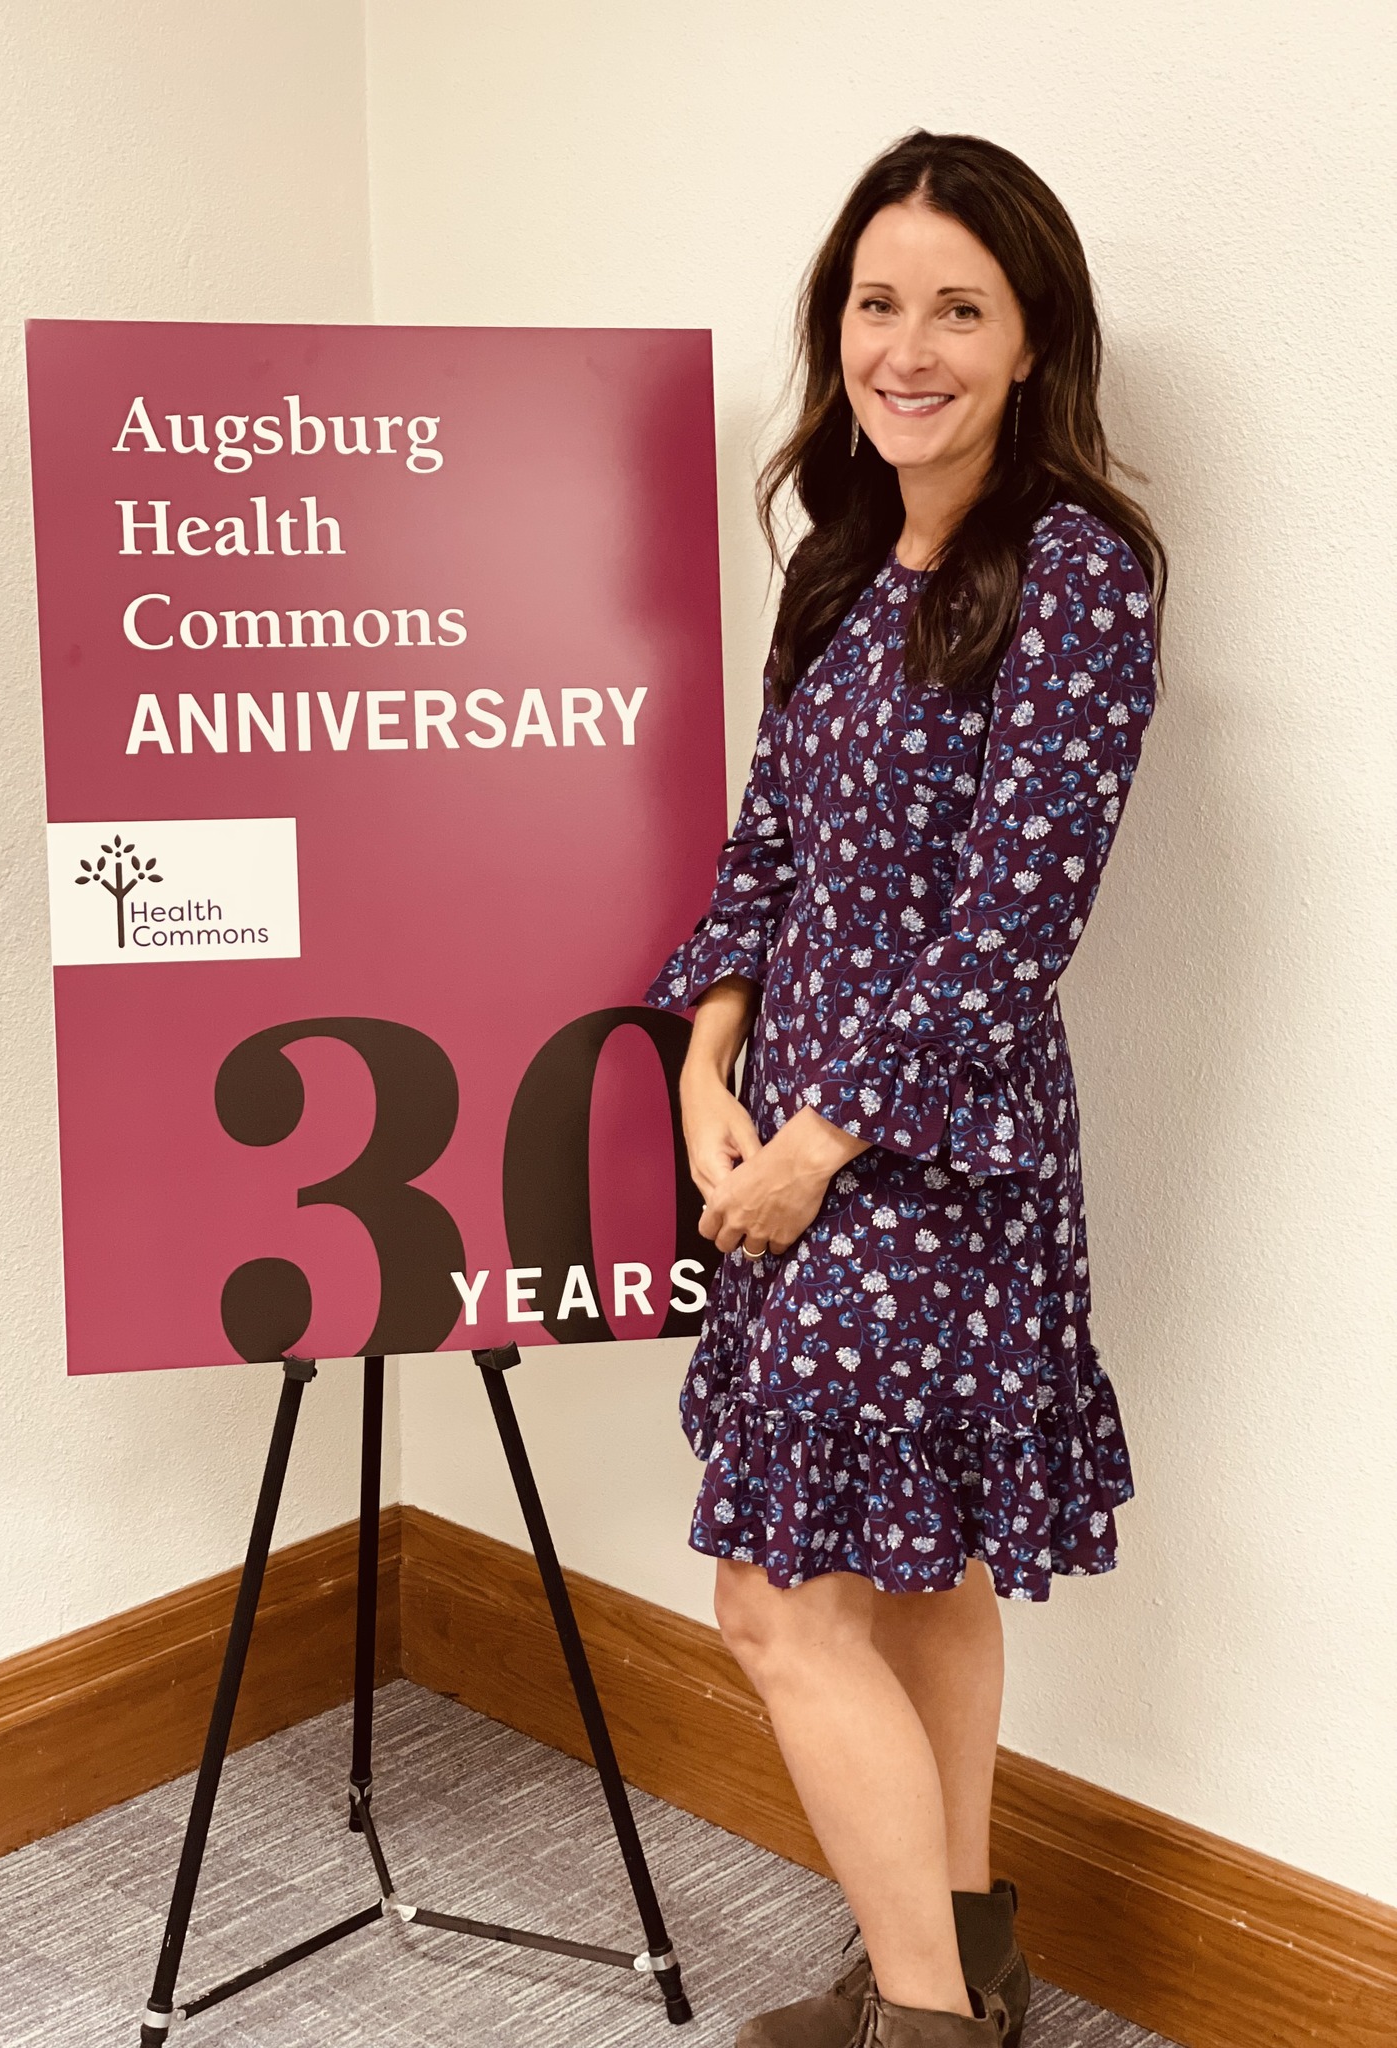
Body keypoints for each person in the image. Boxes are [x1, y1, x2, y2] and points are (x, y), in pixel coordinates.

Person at [642, 130, 1166, 2048]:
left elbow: (1012, 925)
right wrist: (711, 1059)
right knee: (903, 1567)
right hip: (781, 1135)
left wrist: (816, 1147)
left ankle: (927, 2025)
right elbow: (766, 854)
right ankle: (966, 1967)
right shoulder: (851, 562)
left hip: (934, 1161)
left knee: (777, 1606)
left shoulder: (1081, 578)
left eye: (961, 306)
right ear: (837, 328)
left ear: (1033, 344)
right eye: (880, 303)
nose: (910, 344)